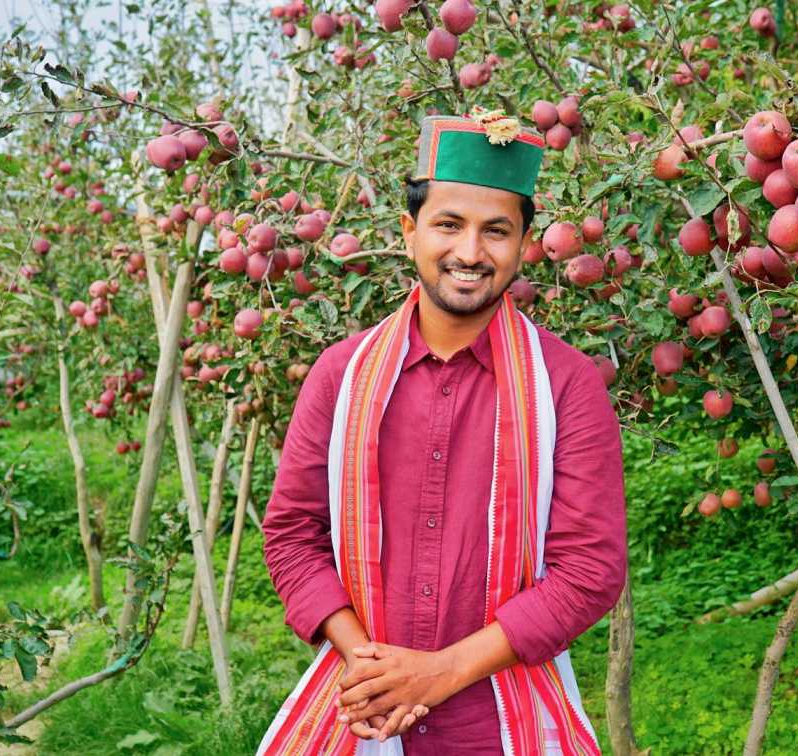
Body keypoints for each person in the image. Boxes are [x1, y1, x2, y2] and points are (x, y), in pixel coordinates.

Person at [259, 108, 628, 755]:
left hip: (499, 724)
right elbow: (292, 534)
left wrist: (439, 672)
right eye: (448, 225)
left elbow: (589, 569)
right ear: (409, 232)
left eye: (495, 231)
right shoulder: (340, 377)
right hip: (361, 705)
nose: (469, 252)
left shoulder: (565, 386)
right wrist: (368, 664)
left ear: (523, 244)